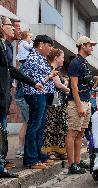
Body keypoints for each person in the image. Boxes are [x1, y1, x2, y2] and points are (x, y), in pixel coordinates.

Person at [0, 15, 43, 178]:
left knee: (2, 131)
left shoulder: (6, 47)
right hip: (2, 94)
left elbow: (12, 70)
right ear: (1, 27)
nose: (13, 28)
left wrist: (33, 83)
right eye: (10, 25)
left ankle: (1, 165)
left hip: (4, 95)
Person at [22, 35, 58, 169]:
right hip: (35, 94)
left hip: (41, 94)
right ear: (41, 44)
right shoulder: (34, 58)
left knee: (39, 127)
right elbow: (38, 83)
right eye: (49, 46)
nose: (51, 49)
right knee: (34, 127)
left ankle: (38, 155)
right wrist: (50, 76)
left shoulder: (41, 58)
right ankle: (31, 159)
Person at [65, 36, 96, 174]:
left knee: (80, 133)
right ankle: (71, 165)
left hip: (86, 101)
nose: (92, 47)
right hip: (77, 102)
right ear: (82, 45)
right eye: (90, 45)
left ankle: (77, 161)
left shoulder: (84, 62)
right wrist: (79, 106)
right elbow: (74, 86)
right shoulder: (75, 63)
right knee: (72, 133)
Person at [42, 48, 70, 160]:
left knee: (60, 126)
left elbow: (62, 83)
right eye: (62, 57)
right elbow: (58, 85)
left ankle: (59, 150)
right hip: (51, 102)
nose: (63, 60)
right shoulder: (50, 68)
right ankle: (50, 151)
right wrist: (70, 90)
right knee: (50, 127)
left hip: (59, 102)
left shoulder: (58, 70)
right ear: (56, 58)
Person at [15, 31, 33, 159]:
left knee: (26, 123)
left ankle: (21, 148)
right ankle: (22, 149)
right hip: (23, 97)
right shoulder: (25, 67)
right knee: (28, 122)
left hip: (21, 97)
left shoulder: (22, 67)